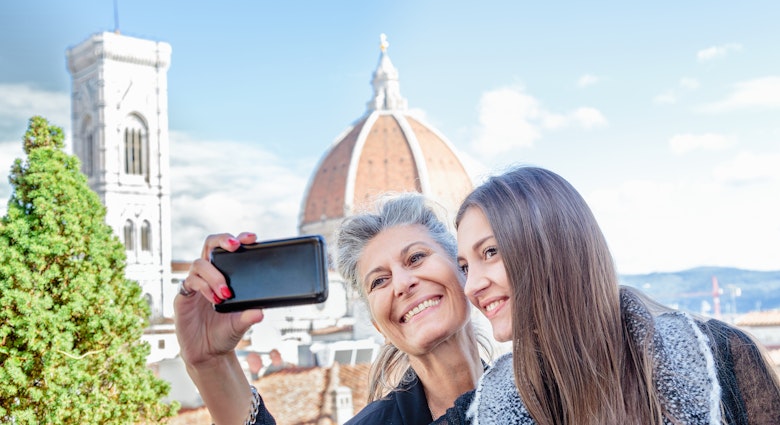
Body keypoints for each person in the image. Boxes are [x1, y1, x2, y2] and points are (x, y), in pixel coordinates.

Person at [454, 166, 780, 424]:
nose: (471, 286)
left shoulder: (722, 357)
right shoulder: (488, 407)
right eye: (465, 267)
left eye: (491, 251)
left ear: (553, 247)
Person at [174, 193, 487, 425]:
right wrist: (211, 365)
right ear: (379, 326)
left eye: (416, 257)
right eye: (379, 281)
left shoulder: (534, 392)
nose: (402, 284)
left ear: (464, 270)